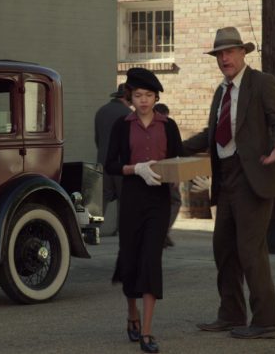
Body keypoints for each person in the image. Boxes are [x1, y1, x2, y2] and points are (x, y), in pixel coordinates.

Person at [184, 27, 275, 339]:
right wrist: (176, 144)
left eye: (230, 52)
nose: (225, 58)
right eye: (220, 54)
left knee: (250, 251)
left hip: (254, 176)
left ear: (244, 53)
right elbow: (211, 134)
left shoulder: (261, 83)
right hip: (227, 179)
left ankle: (268, 321)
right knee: (224, 249)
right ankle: (231, 314)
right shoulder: (221, 92)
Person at [105, 67, 184, 353]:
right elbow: (110, 164)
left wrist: (191, 174)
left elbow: (179, 158)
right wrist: (135, 168)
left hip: (159, 200)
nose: (144, 101)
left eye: (149, 95)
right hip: (132, 198)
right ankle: (132, 313)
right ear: (130, 97)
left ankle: (147, 333)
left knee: (151, 260)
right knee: (131, 258)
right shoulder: (121, 126)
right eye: (138, 95)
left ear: (156, 96)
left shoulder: (169, 125)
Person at [95, 83, 133, 235]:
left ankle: (92, 230)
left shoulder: (101, 111)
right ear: (127, 96)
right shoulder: (129, 114)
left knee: (101, 198)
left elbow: (97, 139)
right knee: (124, 199)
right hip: (121, 164)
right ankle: (122, 230)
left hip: (103, 161)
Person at [153, 103, 179, 248]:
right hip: (167, 169)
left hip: (150, 169)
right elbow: (176, 151)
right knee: (175, 201)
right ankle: (162, 232)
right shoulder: (170, 125)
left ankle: (160, 232)